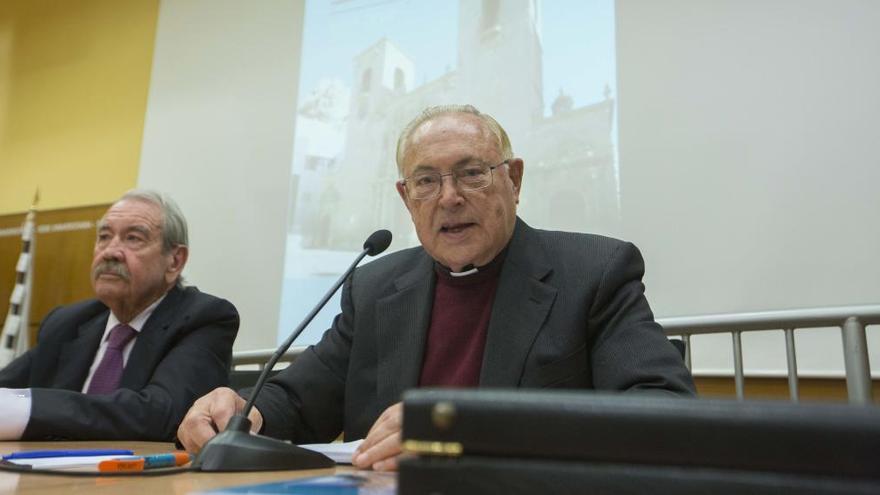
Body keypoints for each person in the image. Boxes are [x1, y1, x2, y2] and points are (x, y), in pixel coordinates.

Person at [177, 105, 695, 470]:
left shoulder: (595, 270)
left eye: (471, 173)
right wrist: (244, 410)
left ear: (513, 181)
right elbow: (303, 396)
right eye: (426, 181)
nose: (448, 198)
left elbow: (664, 410)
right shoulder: (378, 284)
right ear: (407, 198)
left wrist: (476, 429)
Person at [0, 190, 239, 441]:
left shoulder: (203, 318)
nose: (110, 251)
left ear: (174, 261)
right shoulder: (67, 322)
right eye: (104, 237)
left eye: (133, 238)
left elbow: (161, 414)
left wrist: (27, 408)